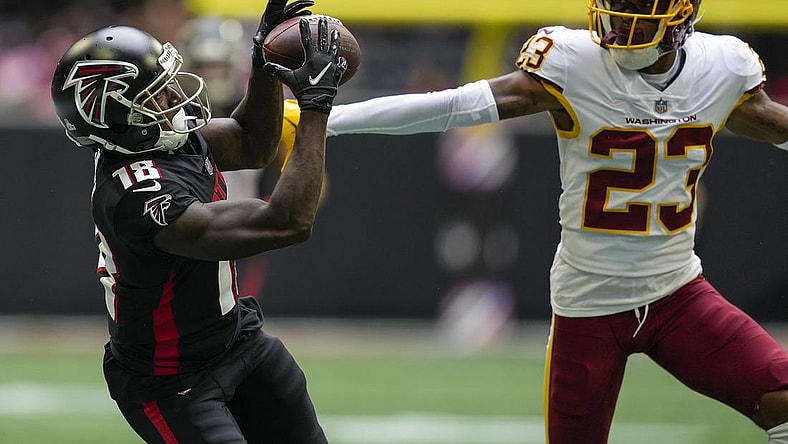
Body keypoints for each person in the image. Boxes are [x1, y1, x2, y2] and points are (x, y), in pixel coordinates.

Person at [313, 0, 788, 442]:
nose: (617, 20)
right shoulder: (573, 62)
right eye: (614, 6)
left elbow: (767, 121)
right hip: (589, 306)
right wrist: (325, 119)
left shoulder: (722, 68)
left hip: (678, 293)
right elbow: (456, 106)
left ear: (680, 17)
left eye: (635, 11)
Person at [50, 0, 348, 441]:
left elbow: (254, 143)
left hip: (237, 339)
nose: (173, 97)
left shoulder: (156, 141)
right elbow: (287, 222)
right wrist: (316, 104)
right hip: (170, 380)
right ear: (113, 117)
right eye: (155, 93)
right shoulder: (136, 194)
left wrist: (264, 61)